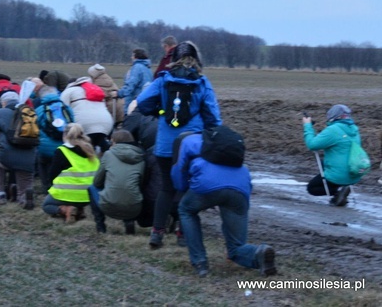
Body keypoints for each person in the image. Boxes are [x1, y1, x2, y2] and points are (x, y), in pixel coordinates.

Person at [135, 40, 222, 248]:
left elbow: (142, 102)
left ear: (173, 59)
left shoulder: (163, 80)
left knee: (166, 188)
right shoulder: (202, 82)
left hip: (165, 145)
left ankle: (157, 233)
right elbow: (214, 117)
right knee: (187, 188)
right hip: (192, 145)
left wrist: (160, 111)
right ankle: (183, 233)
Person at [172, 127, 277, 277]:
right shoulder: (225, 140)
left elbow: (178, 173)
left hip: (206, 184)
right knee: (236, 247)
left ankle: (200, 262)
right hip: (240, 186)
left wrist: (185, 188)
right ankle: (258, 253)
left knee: (186, 210)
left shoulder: (187, 141)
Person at [0, 91, 37, 209]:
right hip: (29, 155)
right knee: (25, 179)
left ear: (4, 103)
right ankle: (24, 197)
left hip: (5, 155)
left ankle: (0, 192)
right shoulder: (29, 113)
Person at [303, 105, 364, 206]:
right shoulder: (354, 129)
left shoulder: (333, 130)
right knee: (324, 163)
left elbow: (312, 145)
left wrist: (307, 126)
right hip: (354, 173)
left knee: (312, 188)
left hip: (339, 175)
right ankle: (342, 188)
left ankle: (338, 192)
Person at [88, 129, 145, 234]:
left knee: (91, 187)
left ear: (113, 141)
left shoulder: (109, 155)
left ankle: (100, 226)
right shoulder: (140, 157)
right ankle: (129, 221)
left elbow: (97, 182)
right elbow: (140, 183)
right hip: (134, 208)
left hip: (108, 206)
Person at [42, 123, 99, 223]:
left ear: (65, 135)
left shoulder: (62, 151)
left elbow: (52, 175)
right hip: (89, 196)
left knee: (47, 205)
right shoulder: (90, 150)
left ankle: (65, 210)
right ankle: (79, 210)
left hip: (68, 193)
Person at [31, 80, 75, 193]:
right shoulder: (66, 108)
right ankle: (62, 186)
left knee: (42, 162)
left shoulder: (40, 110)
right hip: (64, 145)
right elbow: (72, 123)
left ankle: (46, 187)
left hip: (45, 147)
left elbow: (35, 128)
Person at [60, 76, 114, 152]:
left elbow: (62, 109)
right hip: (106, 123)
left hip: (83, 124)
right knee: (99, 143)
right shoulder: (95, 90)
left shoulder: (69, 91)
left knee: (83, 149)